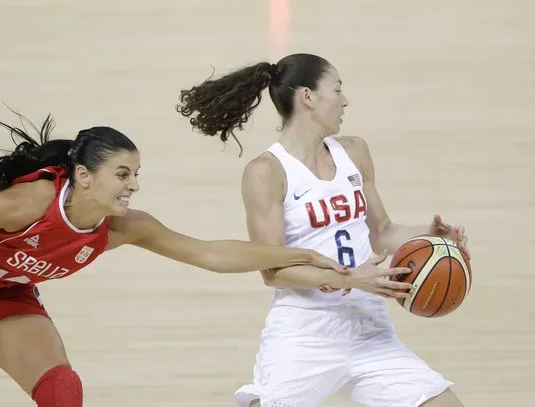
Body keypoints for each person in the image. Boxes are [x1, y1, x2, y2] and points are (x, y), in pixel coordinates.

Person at [0, 113, 411, 407]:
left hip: (2, 294)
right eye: (123, 173)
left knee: (61, 388)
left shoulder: (123, 227)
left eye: (136, 173)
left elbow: (209, 253)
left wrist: (305, 253)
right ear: (83, 175)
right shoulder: (31, 203)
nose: (134, 185)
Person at [176, 53, 471, 407]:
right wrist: (350, 279)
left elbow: (382, 233)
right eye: (338, 89)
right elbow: (273, 270)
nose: (345, 100)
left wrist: (433, 236)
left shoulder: (355, 152)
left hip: (368, 328)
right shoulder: (266, 172)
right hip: (305, 332)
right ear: (308, 97)